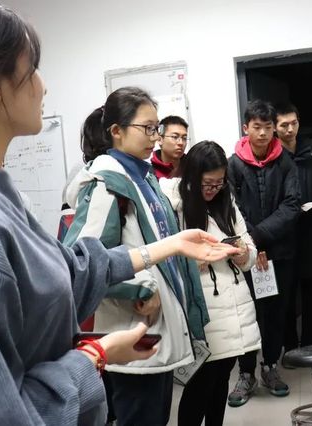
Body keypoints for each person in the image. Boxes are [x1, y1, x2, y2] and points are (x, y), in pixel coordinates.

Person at [0, 2, 238, 425]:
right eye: (32, 70)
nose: (44, 86)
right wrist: (93, 356)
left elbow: (68, 271)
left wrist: (169, 246)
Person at [64, 87, 221, 425]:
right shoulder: (107, 184)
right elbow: (83, 262)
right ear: (116, 131)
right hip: (132, 336)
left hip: (156, 333)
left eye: (156, 128)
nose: (155, 137)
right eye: (147, 128)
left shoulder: (143, 178)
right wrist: (141, 287)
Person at [160, 141, 261, 426]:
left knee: (221, 379)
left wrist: (243, 253)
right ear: (192, 176)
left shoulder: (225, 202)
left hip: (235, 304)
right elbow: (164, 258)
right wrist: (195, 262)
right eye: (207, 183)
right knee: (201, 383)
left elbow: (249, 248)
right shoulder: (174, 205)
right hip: (203, 309)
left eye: (219, 183)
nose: (213, 189)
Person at [226, 100, 301, 407]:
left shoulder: (286, 162)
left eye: (267, 127)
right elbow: (230, 208)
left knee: (275, 313)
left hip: (278, 253)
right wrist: (251, 245)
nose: (262, 133)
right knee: (247, 313)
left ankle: (270, 366)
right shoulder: (233, 164)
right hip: (245, 255)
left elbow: (292, 205)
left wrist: (258, 239)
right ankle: (246, 373)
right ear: (246, 128)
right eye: (256, 127)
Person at [274, 103, 312, 353]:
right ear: (275, 127)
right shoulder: (272, 157)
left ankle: (310, 342)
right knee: (286, 294)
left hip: (311, 231)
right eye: (284, 125)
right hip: (284, 235)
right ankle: (290, 346)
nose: (290, 129)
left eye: (294, 123)